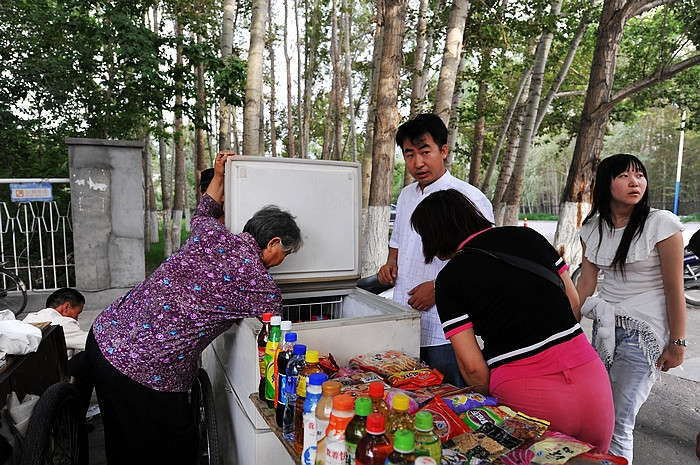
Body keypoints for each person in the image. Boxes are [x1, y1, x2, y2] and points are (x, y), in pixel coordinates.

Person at [86, 152, 303, 465]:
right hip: (148, 373)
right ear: (272, 243)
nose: (283, 261)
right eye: (286, 253)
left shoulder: (209, 231)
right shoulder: (260, 285)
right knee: (175, 450)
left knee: (121, 438)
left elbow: (209, 201)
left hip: (104, 338)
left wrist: (219, 173)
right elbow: (278, 334)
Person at [410, 188, 614, 453]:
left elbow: (472, 368)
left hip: (526, 394)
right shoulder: (529, 237)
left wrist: (485, 404)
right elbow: (573, 302)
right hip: (592, 381)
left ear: (435, 235)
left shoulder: (450, 278)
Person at [576, 153, 686, 464]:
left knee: (619, 419)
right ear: (606, 183)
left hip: (646, 333)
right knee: (599, 414)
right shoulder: (592, 229)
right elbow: (585, 285)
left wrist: (678, 344)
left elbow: (673, 288)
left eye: (639, 175)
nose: (634, 182)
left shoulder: (661, 223)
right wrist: (567, 338)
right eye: (624, 176)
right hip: (606, 328)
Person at [377, 113, 494, 388]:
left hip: (447, 330)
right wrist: (389, 264)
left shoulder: (469, 198)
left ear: (443, 150)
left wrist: (439, 287)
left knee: (454, 400)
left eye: (425, 152)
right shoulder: (406, 195)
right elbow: (398, 242)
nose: (418, 163)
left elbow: (482, 262)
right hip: (405, 322)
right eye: (409, 155)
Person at [22, 287, 92, 413]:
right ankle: (78, 416)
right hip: (54, 377)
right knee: (90, 356)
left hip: (29, 377)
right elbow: (91, 343)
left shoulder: (29, 318)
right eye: (78, 312)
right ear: (66, 307)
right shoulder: (63, 323)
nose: (77, 318)